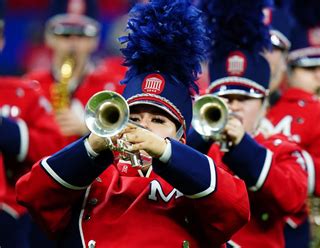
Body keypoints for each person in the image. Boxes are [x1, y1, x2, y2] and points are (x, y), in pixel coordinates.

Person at [16, 1, 250, 247]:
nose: (144, 127)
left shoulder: (193, 181)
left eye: (158, 120)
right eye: (134, 118)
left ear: (182, 136)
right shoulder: (93, 179)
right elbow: (31, 193)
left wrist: (165, 151)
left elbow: (235, 208)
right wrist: (90, 148)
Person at [188, 1, 308, 247]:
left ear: (264, 103)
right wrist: (199, 138)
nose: (234, 106)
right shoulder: (198, 145)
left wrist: (241, 146)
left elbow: (291, 198)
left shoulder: (281, 147)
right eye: (225, 99)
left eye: (244, 98)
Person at [265, 1, 320, 246]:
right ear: (290, 69)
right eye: (309, 68)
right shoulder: (265, 103)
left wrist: (292, 164)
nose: (319, 76)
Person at [0, 2, 66, 247]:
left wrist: (12, 134)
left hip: (8, 218)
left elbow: (54, 149)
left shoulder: (23, 92)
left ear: (2, 40)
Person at [25, 0, 124, 143]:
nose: (73, 42)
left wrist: (89, 129)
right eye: (65, 34)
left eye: (82, 35)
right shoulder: (29, 85)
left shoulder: (114, 89)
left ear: (95, 40)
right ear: (48, 38)